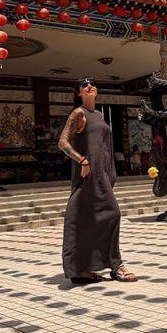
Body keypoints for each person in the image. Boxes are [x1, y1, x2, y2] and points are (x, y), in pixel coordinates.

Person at [58, 77, 137, 284]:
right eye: (83, 85)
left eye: (92, 83)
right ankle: (115, 264)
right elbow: (62, 142)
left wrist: (109, 171)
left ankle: (85, 269)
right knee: (111, 213)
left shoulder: (99, 114)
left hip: (101, 174)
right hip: (87, 175)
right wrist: (82, 160)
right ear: (78, 93)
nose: (89, 86)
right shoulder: (78, 113)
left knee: (95, 218)